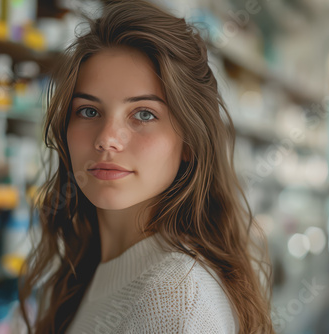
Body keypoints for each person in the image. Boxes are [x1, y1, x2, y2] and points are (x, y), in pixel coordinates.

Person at [18, 0, 275, 333]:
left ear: (190, 142)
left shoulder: (174, 296)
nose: (107, 139)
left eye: (144, 114)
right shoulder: (90, 265)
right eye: (89, 111)